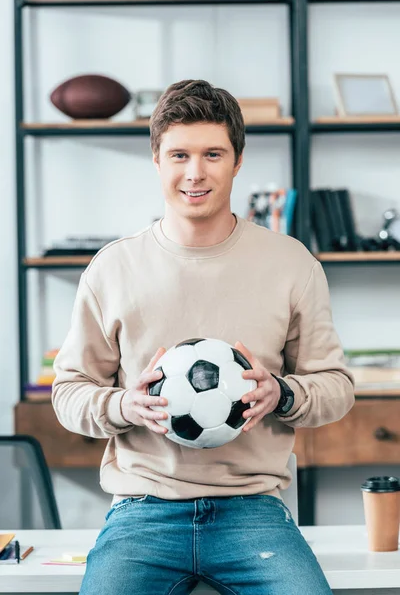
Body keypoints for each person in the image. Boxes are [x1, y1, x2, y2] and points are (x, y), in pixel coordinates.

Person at [52, 79, 354, 595]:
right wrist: (125, 405)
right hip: (141, 514)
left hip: (254, 512)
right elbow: (68, 392)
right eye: (179, 155)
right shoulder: (112, 269)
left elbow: (337, 387)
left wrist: (281, 394)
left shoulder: (291, 264)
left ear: (237, 161)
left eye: (213, 153)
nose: (195, 173)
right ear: (156, 160)